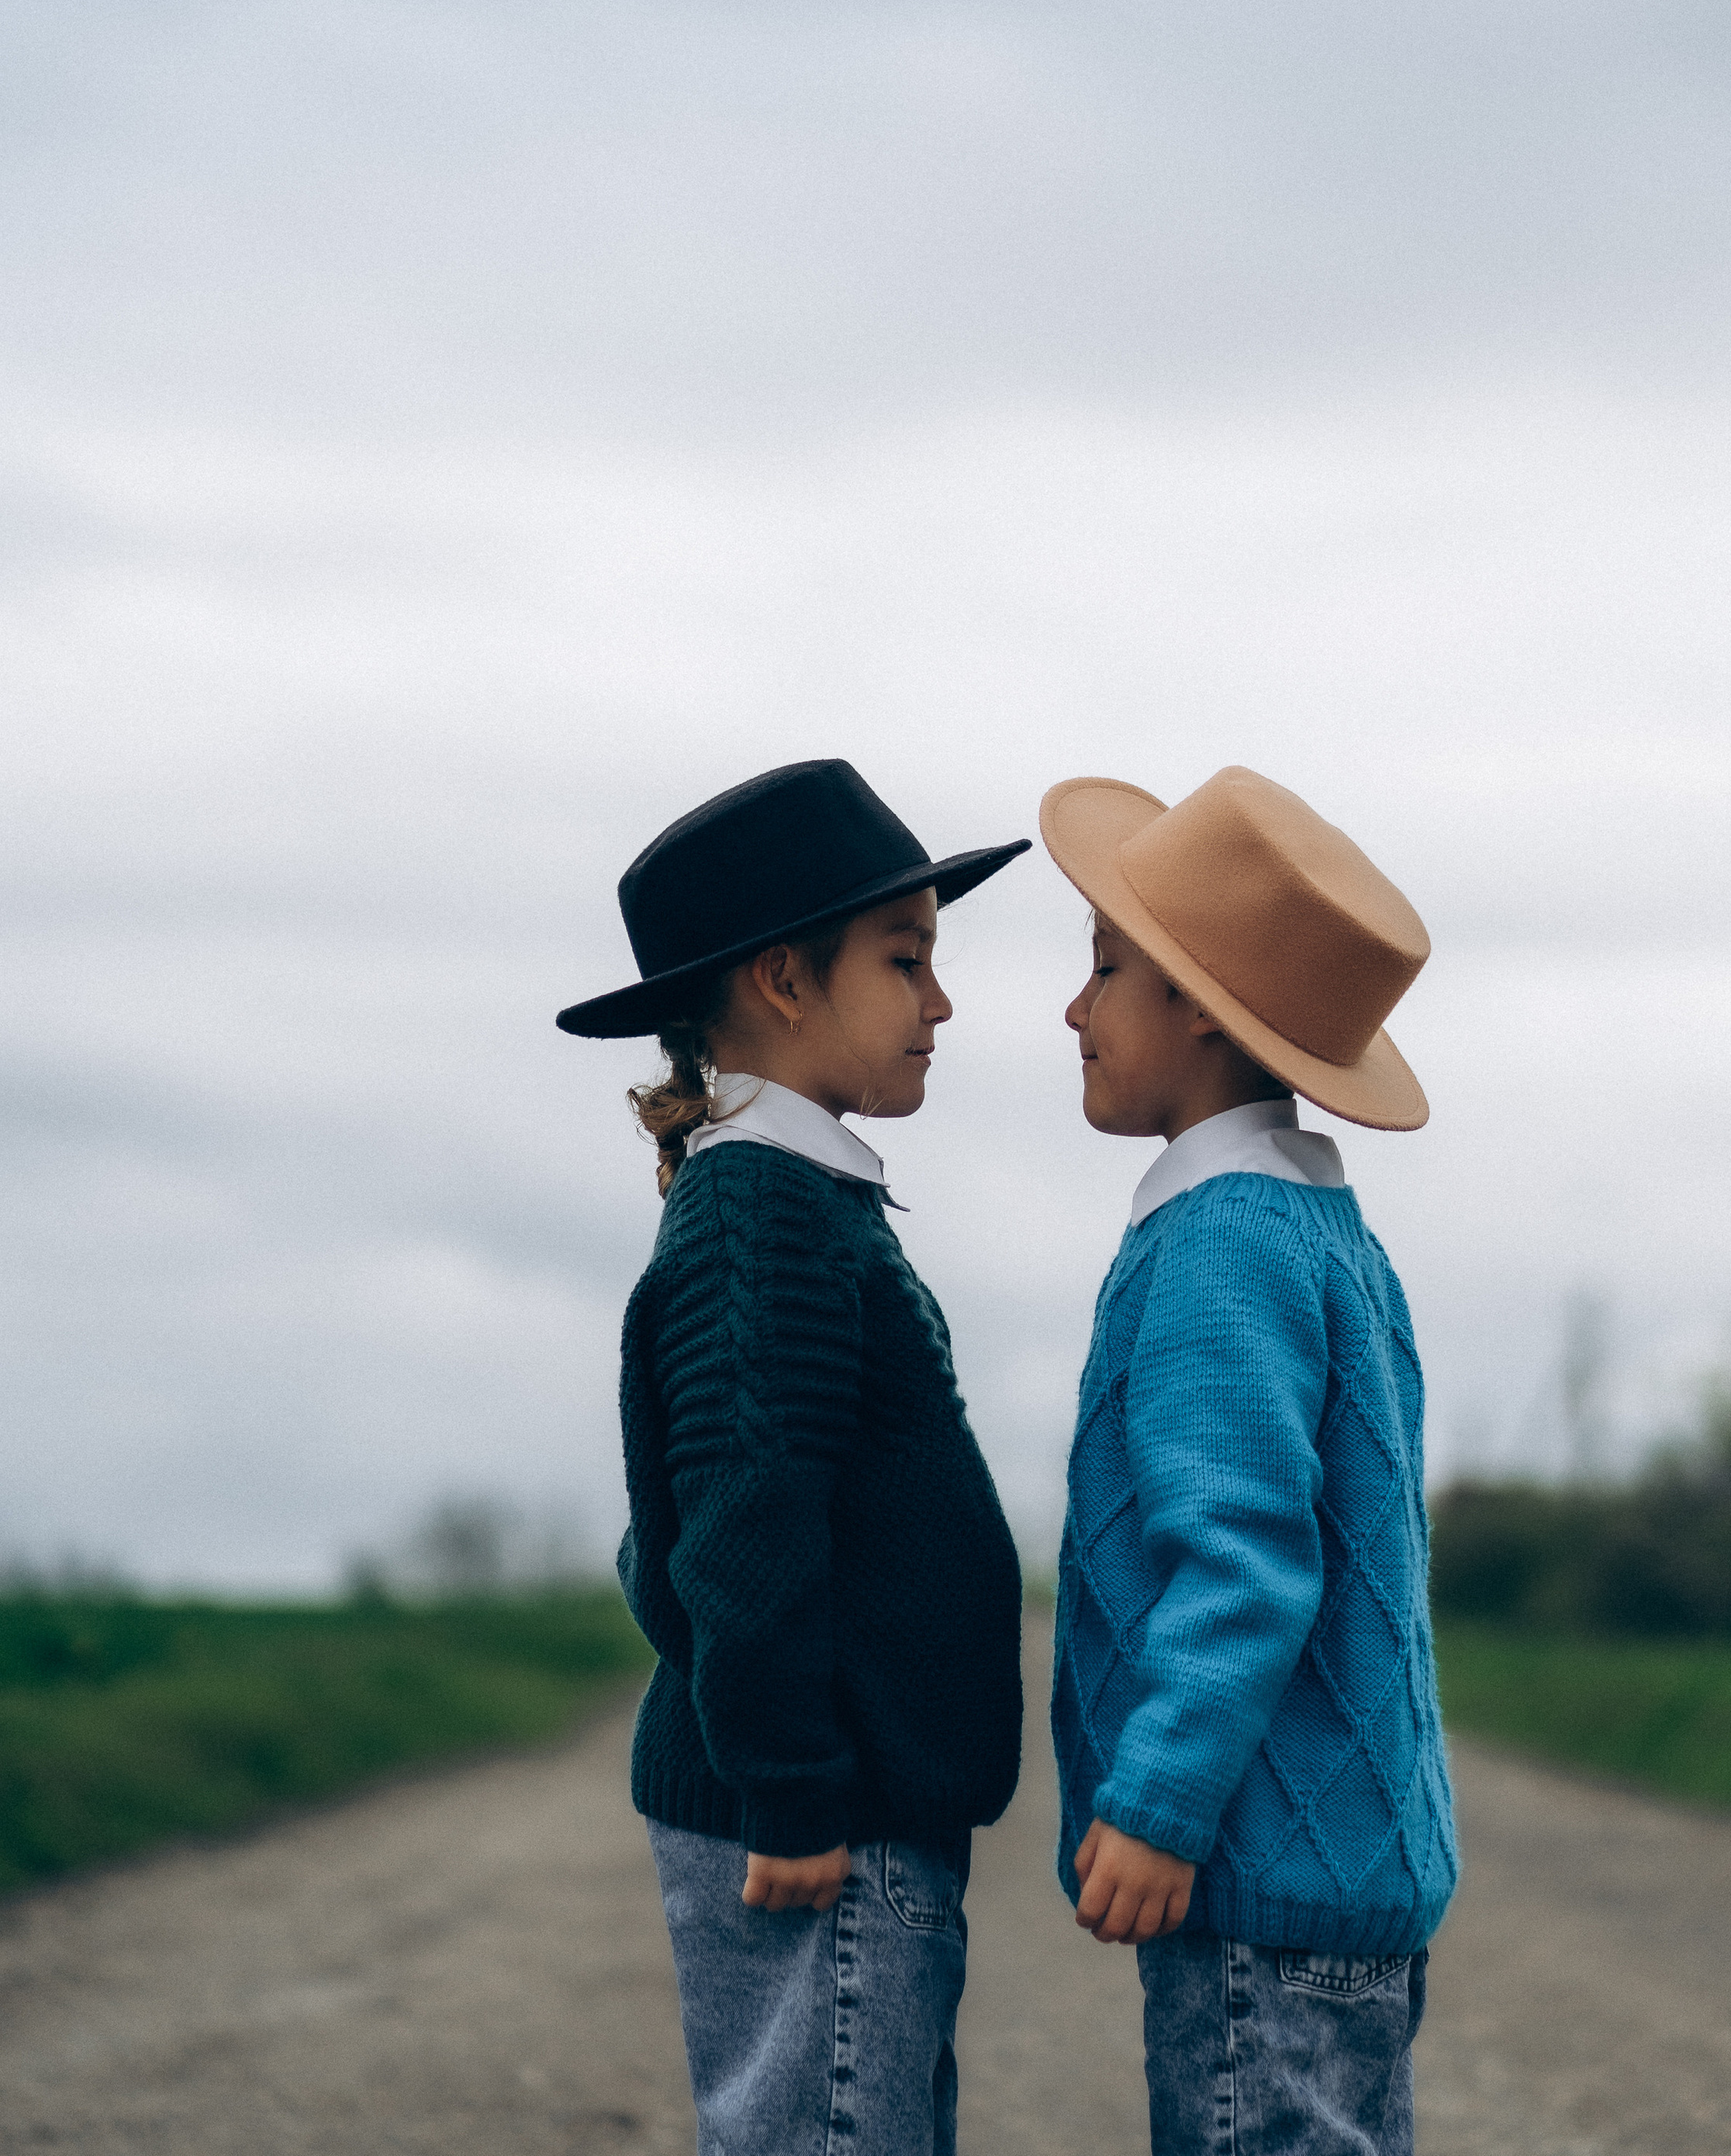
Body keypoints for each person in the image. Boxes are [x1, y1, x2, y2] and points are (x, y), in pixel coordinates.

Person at [556, 757, 1030, 2156]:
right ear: (784, 980)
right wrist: (792, 1789)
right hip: (823, 1828)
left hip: (855, 1809)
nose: (941, 1004)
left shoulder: (800, 1203)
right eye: (907, 958)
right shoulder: (760, 1218)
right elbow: (742, 1531)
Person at [1038, 765, 1458, 2156]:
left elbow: (1246, 1558)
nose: (1073, 1010)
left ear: (1201, 1010)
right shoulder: (1320, 1228)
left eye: (1105, 971)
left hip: (1258, 1870)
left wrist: (1158, 1803)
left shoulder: (1219, 1241)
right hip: (1332, 1863)